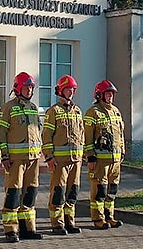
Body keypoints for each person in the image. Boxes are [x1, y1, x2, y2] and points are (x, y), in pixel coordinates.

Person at [0, 72, 43, 242]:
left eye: (31, 87)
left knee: (30, 193)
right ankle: (11, 230)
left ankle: (28, 229)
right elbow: (1, 133)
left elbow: (38, 131)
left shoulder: (33, 108)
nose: (29, 90)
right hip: (15, 160)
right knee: (13, 194)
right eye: (26, 87)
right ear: (18, 88)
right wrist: (4, 156)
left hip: (32, 159)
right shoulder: (8, 108)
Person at [42, 75, 84, 235]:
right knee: (58, 192)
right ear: (61, 90)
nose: (71, 92)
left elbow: (81, 134)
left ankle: (69, 221)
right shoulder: (53, 112)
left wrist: (84, 155)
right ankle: (57, 224)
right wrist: (49, 157)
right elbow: (46, 136)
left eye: (73, 89)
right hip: (60, 161)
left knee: (72, 192)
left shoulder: (77, 111)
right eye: (68, 89)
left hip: (76, 160)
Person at [84, 80, 125, 230]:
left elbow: (120, 134)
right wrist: (90, 156)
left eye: (112, 94)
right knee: (99, 190)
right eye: (107, 94)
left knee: (112, 190)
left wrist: (123, 152)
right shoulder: (93, 112)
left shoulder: (116, 111)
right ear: (99, 95)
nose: (110, 97)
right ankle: (98, 218)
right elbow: (87, 137)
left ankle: (110, 216)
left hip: (115, 160)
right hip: (100, 161)